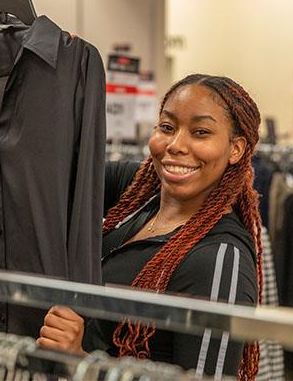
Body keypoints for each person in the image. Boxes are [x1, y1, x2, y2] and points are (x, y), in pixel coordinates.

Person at [37, 74, 264, 379]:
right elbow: (49, 178)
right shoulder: (142, 195)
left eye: (200, 132)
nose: (176, 145)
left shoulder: (220, 257)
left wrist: (82, 362)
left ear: (236, 149)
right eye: (167, 127)